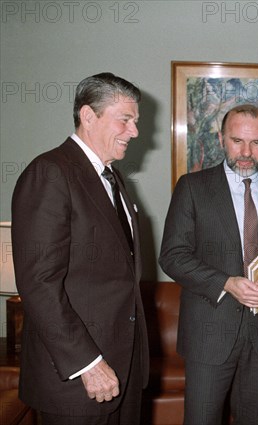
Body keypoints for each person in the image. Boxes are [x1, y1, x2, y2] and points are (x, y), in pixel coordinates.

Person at [11, 73, 149, 424]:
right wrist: (87, 363)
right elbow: (39, 283)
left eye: (136, 121)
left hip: (122, 366)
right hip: (79, 377)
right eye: (126, 119)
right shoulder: (50, 173)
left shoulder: (111, 177)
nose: (134, 132)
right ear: (88, 116)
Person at [159, 104, 258, 424]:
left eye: (256, 143)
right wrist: (226, 283)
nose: (246, 152)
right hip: (209, 332)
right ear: (220, 138)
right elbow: (173, 255)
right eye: (237, 140)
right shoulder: (192, 187)